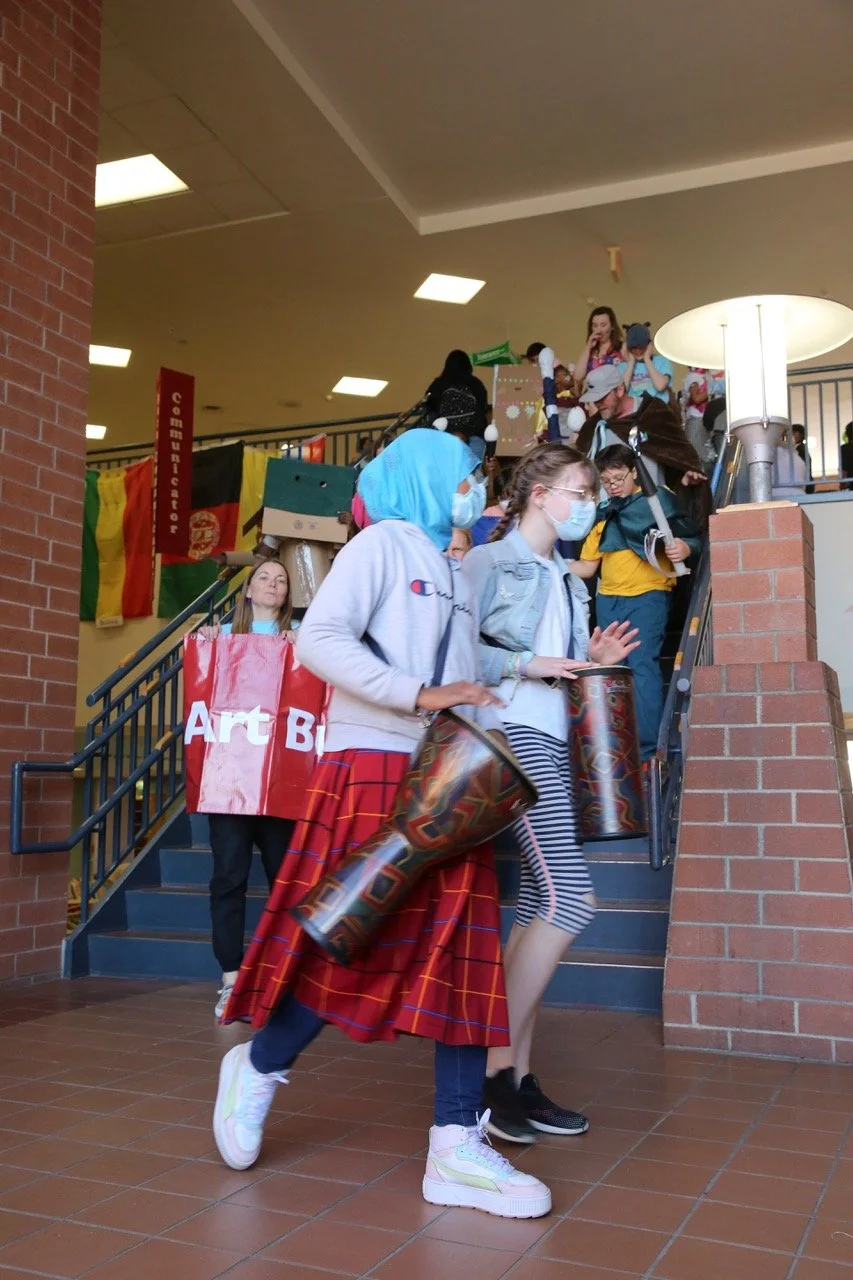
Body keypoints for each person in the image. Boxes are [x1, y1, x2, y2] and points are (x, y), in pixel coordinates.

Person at [212, 429, 552, 1221]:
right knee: (357, 939)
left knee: (466, 954)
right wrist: (416, 695)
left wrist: (509, 680)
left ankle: (456, 1144)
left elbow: (462, 666)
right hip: (372, 761)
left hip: (450, 778)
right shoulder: (381, 546)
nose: (474, 488)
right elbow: (320, 641)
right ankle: (258, 1067)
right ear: (424, 477)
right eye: (464, 475)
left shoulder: (451, 565)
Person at [463, 443, 640, 1143]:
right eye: (579, 491)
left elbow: (560, 668)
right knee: (571, 899)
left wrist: (590, 662)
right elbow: (455, 653)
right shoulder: (486, 562)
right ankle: (484, 1070)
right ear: (539, 494)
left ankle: (515, 1076)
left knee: (541, 901)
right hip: (509, 734)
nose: (588, 504)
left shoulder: (568, 580)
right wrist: (524, 662)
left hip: (557, 739)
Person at [196, 561, 294, 1018]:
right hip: (229, 783)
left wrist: (306, 651)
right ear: (249, 590)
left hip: (279, 785)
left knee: (285, 883)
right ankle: (231, 979)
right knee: (228, 880)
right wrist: (204, 646)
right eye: (265, 578)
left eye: (281, 580)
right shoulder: (220, 638)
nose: (273, 585)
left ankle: (283, 976)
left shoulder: (301, 640)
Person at [569, 444, 701, 760]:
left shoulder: (657, 503)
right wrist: (549, 563)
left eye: (618, 478)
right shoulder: (603, 514)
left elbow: (693, 537)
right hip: (608, 600)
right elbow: (587, 567)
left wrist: (684, 548)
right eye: (606, 481)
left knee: (641, 666)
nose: (613, 485)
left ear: (634, 473)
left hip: (648, 597)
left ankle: (648, 751)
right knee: (612, 671)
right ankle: (616, 744)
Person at [575, 366, 711, 531]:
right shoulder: (595, 427)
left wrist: (687, 471)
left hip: (655, 514)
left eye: (602, 397)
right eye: (594, 399)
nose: (598, 404)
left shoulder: (652, 413)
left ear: (620, 389)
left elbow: (679, 453)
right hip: (614, 519)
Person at [426, 349, 489, 460]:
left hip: (443, 439)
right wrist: (466, 434)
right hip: (473, 439)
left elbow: (430, 412)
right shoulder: (476, 384)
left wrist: (451, 433)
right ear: (468, 366)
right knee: (473, 466)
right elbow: (481, 414)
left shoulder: (437, 385)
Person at [619, 324, 673, 407]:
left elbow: (660, 386)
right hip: (634, 411)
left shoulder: (661, 361)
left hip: (658, 408)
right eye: (634, 348)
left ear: (649, 345)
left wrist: (647, 359)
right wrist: (631, 363)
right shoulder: (623, 366)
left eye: (641, 347)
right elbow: (621, 392)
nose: (638, 351)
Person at [575, 306, 624, 385]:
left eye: (603, 325)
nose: (599, 330)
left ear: (612, 326)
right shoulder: (590, 351)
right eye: (595, 326)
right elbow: (578, 377)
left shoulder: (622, 347)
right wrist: (588, 347)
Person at [791, 424, 815, 494]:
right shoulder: (801, 448)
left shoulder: (800, 449)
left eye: (793, 433)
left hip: (804, 483)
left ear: (798, 434)